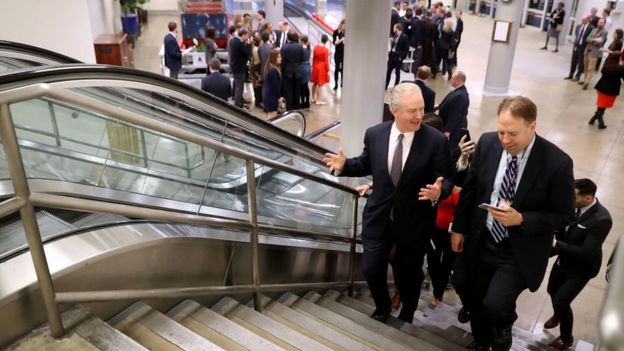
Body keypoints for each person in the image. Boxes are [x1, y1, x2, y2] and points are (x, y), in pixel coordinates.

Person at [450, 96, 575, 351]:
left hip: (517, 250)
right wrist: (459, 228)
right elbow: (471, 190)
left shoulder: (557, 163)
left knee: (496, 304)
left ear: (532, 127)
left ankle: (503, 327)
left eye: (512, 134)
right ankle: (482, 340)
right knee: (467, 289)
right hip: (481, 238)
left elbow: (565, 215)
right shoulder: (487, 143)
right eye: (501, 131)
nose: (505, 140)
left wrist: (523, 218)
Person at [323, 82, 453, 324]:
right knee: (371, 269)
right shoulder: (375, 134)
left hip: (413, 224)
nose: (419, 116)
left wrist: (438, 192)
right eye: (412, 111)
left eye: (421, 109)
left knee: (409, 277)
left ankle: (407, 314)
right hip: (379, 218)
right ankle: (382, 307)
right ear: (395, 111)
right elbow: (365, 164)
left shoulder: (435, 141)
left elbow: (445, 180)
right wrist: (344, 166)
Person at [544, 178, 612, 350]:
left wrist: (555, 245)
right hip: (564, 260)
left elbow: (587, 252)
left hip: (581, 268)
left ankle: (566, 338)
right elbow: (560, 228)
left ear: (588, 199)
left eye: (573, 196)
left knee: (561, 302)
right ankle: (559, 315)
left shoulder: (602, 219)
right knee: (551, 289)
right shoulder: (571, 206)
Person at [588, 52, 624, 129]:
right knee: (603, 106)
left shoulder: (606, 65)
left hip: (602, 87)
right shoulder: (621, 68)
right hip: (612, 89)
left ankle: (593, 119)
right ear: (618, 58)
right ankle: (601, 123)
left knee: (601, 105)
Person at [436, 71, 469, 152]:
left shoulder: (459, 95)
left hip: (454, 130)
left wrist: (447, 131)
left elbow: (454, 115)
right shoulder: (458, 90)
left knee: (449, 149)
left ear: (458, 80)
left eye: (452, 78)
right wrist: (439, 106)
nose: (450, 80)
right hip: (450, 125)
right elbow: (449, 102)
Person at [280, 31, 304, 110]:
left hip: (288, 72)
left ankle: (289, 109)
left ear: (288, 38)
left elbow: (283, 61)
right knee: (297, 90)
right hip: (298, 71)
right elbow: (302, 59)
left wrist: (282, 71)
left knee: (288, 91)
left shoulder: (284, 47)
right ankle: (296, 108)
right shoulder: (300, 47)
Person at [229, 28, 252, 108]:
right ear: (243, 35)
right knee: (240, 87)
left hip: (235, 67)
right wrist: (249, 44)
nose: (247, 38)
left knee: (237, 86)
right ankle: (237, 105)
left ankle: (240, 103)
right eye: (247, 36)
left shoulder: (233, 41)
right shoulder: (239, 43)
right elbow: (246, 53)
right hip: (239, 68)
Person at [582, 18, 608, 90]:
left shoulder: (604, 32)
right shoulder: (594, 30)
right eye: (599, 22)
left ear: (604, 24)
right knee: (585, 67)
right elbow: (587, 39)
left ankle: (586, 83)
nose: (600, 23)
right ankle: (585, 80)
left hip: (594, 52)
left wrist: (593, 40)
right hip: (587, 50)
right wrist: (595, 39)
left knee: (591, 69)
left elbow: (600, 43)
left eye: (602, 22)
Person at [564, 16, 592, 81]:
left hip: (583, 47)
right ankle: (570, 75)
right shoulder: (578, 26)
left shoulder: (591, 28)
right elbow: (577, 34)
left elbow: (589, 38)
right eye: (582, 19)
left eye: (583, 19)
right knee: (573, 61)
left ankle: (577, 76)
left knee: (580, 62)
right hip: (576, 45)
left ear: (588, 20)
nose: (582, 21)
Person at [385, 23, 409, 90]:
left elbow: (406, 49)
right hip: (392, 56)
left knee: (397, 73)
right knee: (388, 71)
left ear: (397, 28)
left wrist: (401, 57)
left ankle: (396, 87)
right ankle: (385, 86)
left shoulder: (404, 37)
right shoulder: (395, 36)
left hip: (398, 57)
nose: (393, 29)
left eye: (394, 28)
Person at [263, 50, 283, 119]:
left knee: (271, 117)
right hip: (272, 97)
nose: (281, 58)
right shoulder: (273, 70)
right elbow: (275, 86)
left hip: (269, 95)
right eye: (279, 57)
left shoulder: (270, 68)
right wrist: (279, 97)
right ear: (274, 58)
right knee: (272, 118)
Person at [311, 34, 330, 105]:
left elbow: (313, 58)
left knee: (315, 83)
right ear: (326, 41)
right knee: (320, 84)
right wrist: (327, 70)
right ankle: (319, 100)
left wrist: (313, 65)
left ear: (321, 39)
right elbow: (326, 62)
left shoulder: (315, 47)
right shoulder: (325, 50)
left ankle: (313, 98)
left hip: (315, 66)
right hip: (321, 67)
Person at [298, 35, 311, 109]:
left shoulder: (301, 49)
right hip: (307, 67)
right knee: (306, 86)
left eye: (300, 40)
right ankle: (307, 102)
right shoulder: (309, 47)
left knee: (301, 87)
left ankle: (302, 102)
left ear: (302, 41)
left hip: (302, 67)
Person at [332, 19, 346, 91]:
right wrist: (341, 40)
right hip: (337, 54)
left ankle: (342, 83)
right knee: (337, 68)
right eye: (344, 25)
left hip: (345, 54)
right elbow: (334, 43)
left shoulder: (347, 32)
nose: (345, 27)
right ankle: (336, 84)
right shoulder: (336, 32)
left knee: (343, 69)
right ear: (341, 24)